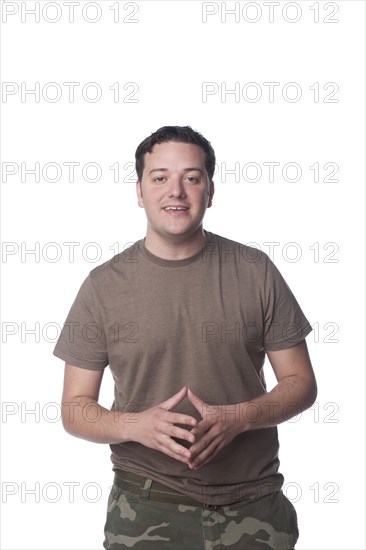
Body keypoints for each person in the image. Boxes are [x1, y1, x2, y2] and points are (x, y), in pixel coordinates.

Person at [53, 125, 317, 550]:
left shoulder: (256, 271)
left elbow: (301, 383)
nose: (175, 191)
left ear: (210, 190)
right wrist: (138, 425)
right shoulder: (102, 286)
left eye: (191, 178)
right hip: (144, 507)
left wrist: (239, 418)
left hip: (255, 505)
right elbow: (74, 408)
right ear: (139, 191)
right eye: (159, 177)